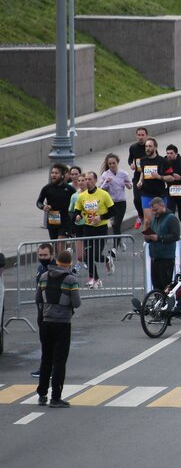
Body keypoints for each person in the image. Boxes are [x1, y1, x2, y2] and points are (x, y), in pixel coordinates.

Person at [35, 250, 81, 407]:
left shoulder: (44, 277)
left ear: (56, 261)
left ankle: (42, 395)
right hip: (62, 324)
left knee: (46, 359)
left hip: (46, 322)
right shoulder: (70, 279)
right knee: (59, 361)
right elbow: (76, 303)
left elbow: (38, 299)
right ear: (69, 264)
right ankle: (55, 397)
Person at [73, 171, 115, 288]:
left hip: (101, 228)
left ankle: (107, 259)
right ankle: (96, 280)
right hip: (87, 228)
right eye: (86, 179)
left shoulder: (103, 194)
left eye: (90, 179)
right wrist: (77, 216)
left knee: (96, 254)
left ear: (95, 180)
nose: (87, 181)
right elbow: (77, 211)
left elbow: (113, 211)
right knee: (88, 256)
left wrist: (100, 217)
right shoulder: (82, 196)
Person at [144, 197, 181, 291]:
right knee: (156, 285)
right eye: (153, 211)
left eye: (156, 210)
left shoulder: (171, 218)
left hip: (166, 258)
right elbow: (148, 239)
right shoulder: (154, 220)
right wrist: (146, 227)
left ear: (162, 206)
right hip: (155, 258)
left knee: (165, 286)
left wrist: (159, 238)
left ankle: (166, 304)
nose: (154, 212)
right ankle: (159, 303)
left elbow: (175, 236)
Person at [36, 163, 75, 240]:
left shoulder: (69, 189)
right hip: (53, 219)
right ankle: (65, 252)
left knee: (60, 241)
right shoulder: (46, 188)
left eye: (56, 173)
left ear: (62, 175)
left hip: (65, 219)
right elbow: (39, 202)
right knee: (55, 245)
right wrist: (43, 206)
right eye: (52, 173)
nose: (53, 175)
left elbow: (77, 200)